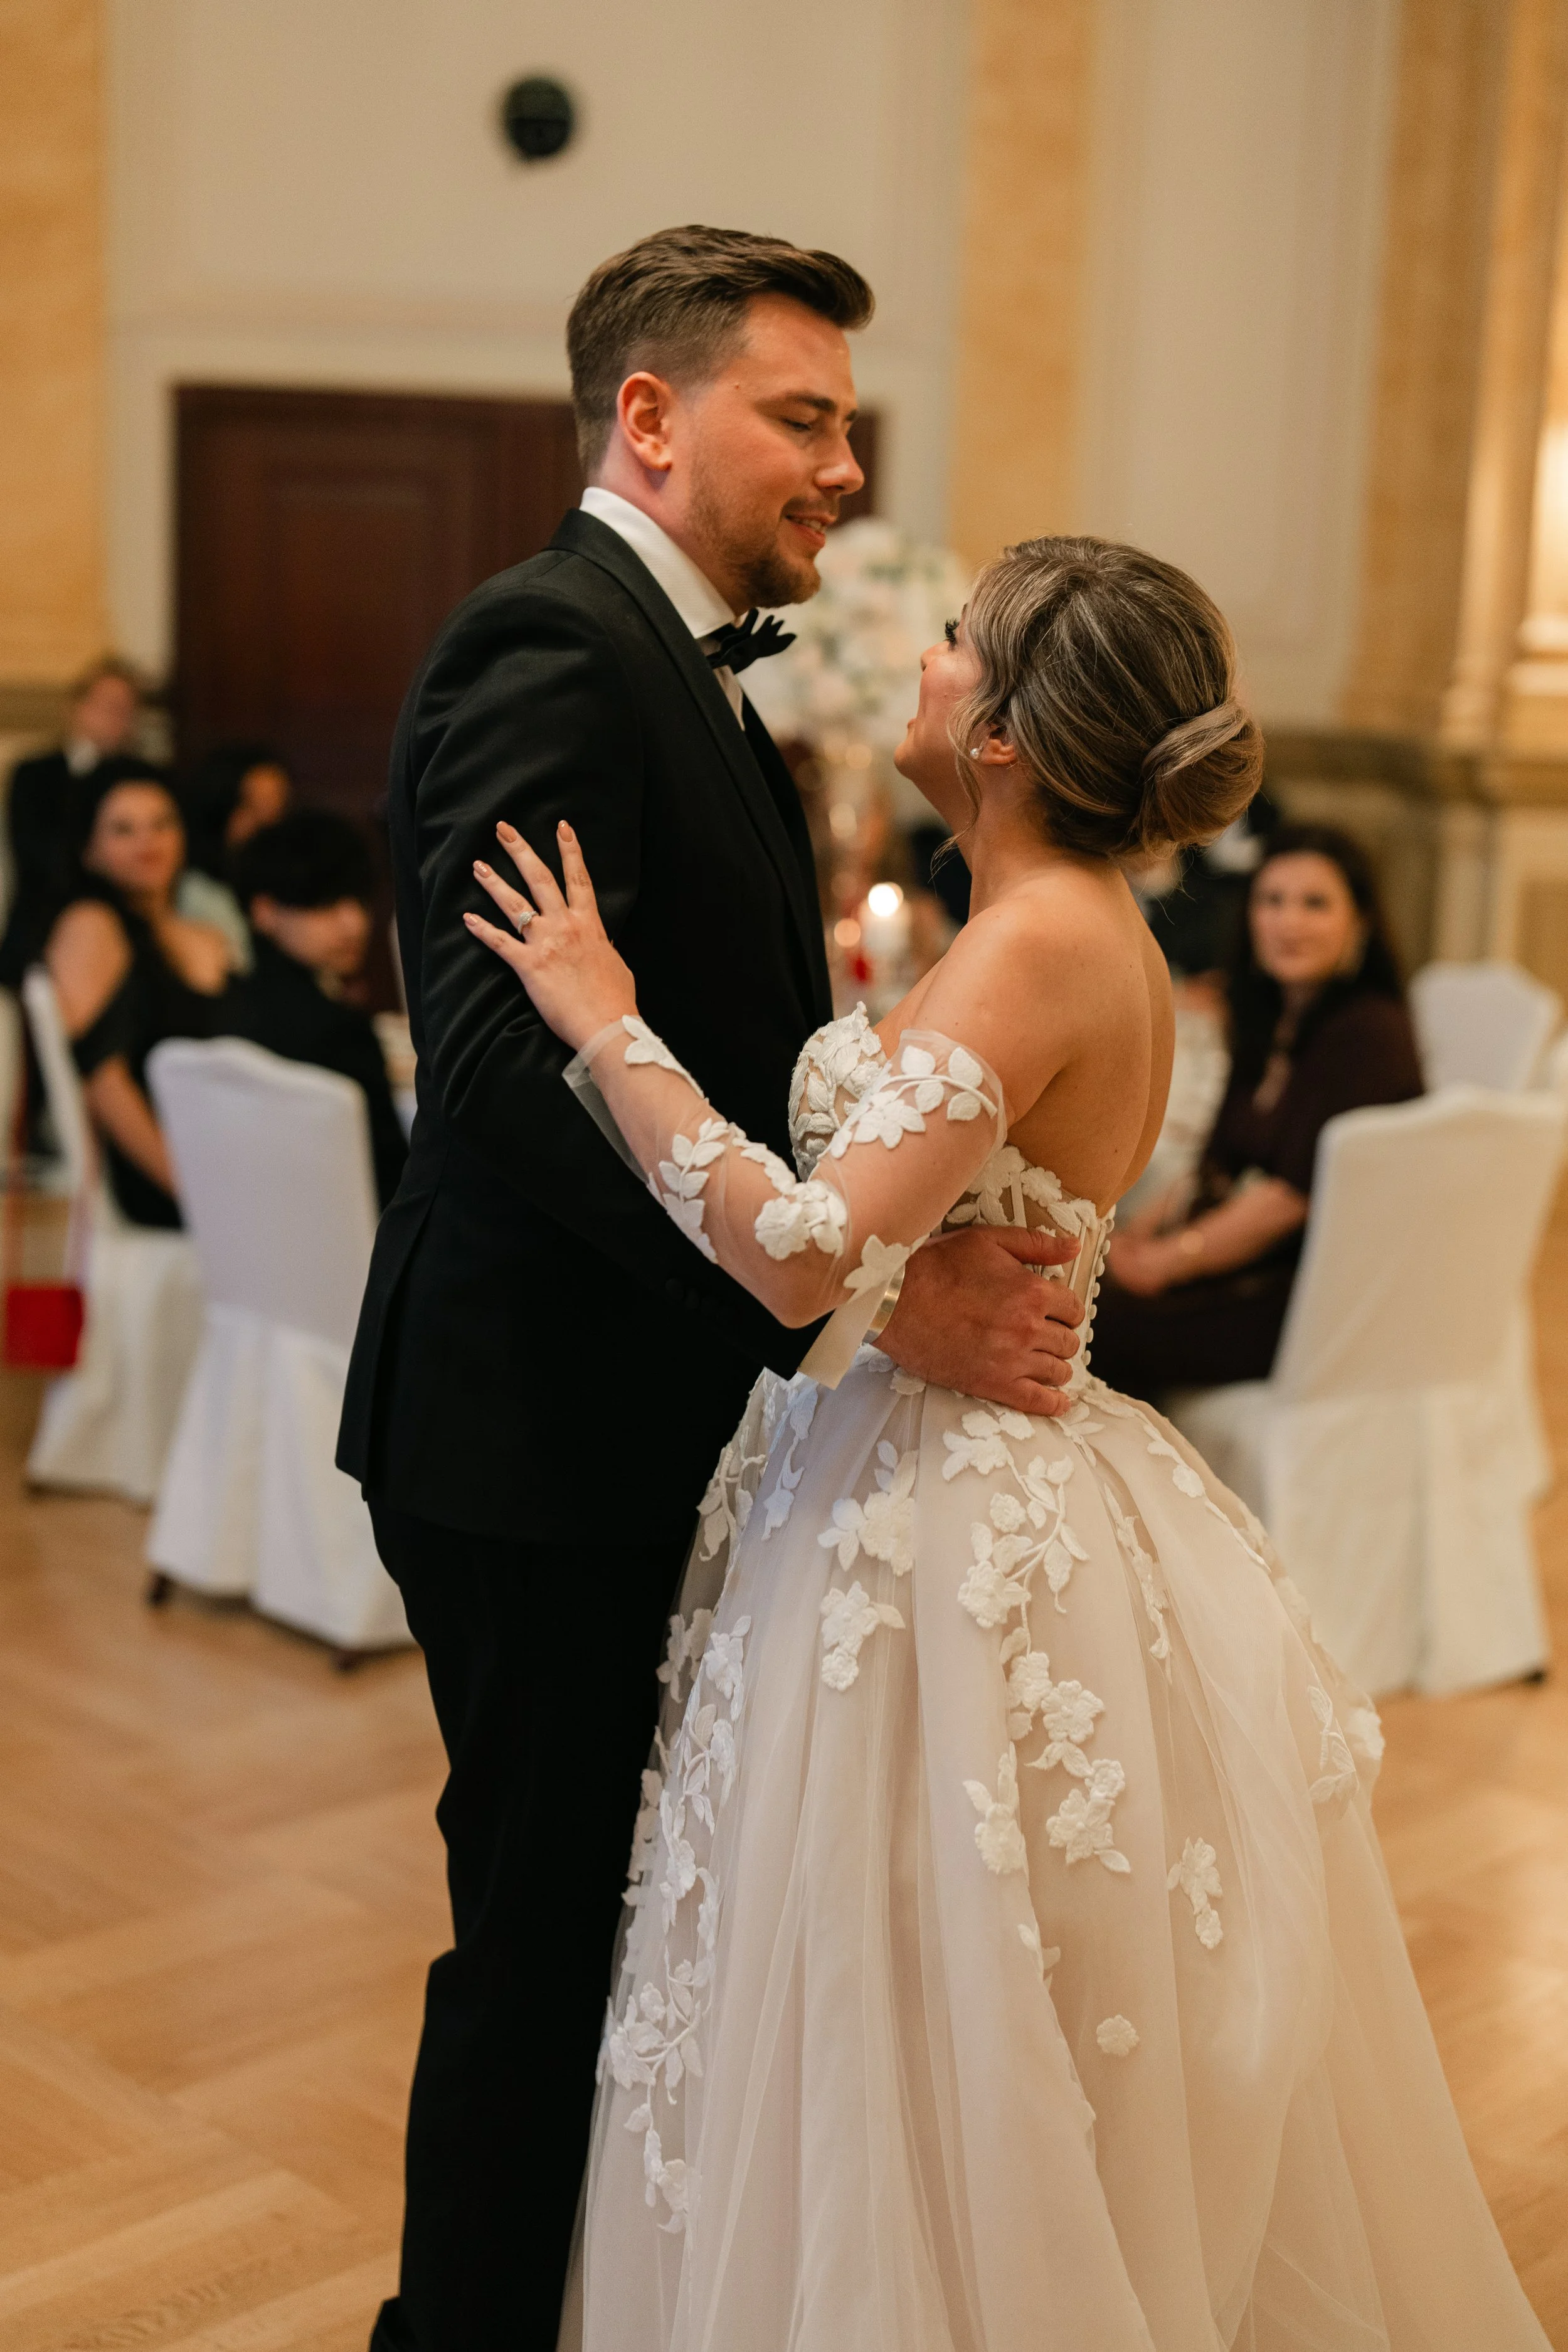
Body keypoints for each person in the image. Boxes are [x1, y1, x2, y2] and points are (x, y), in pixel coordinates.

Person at [469, 536, 1549, 2351]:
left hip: (939, 1522)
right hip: (923, 1472)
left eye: (959, 638)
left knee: (903, 2013)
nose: (926, 653)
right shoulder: (1047, 924)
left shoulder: (1038, 940)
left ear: (1008, 735)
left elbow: (801, 1250)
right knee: (898, 1999)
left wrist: (602, 1018)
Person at [336, 226, 1087, 2352]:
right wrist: (858, 1303)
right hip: (535, 1425)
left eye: (849, 424)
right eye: (806, 418)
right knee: (543, 1936)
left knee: (627, 1924)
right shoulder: (551, 644)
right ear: (651, 417)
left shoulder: (676, 661)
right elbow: (507, 1080)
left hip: (634, 1406)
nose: (845, 466)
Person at [1093, 824, 1424, 1397]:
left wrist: (1166, 1262)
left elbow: (1287, 1200)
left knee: (1090, 1326)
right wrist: (1131, 1238)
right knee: (1082, 1294)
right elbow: (1216, 1161)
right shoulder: (1269, 1017)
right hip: (1247, 1267)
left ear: (1360, 922)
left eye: (1315, 904)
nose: (1288, 922)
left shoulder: (1368, 1033)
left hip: (1310, 1300)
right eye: (1272, 900)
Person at [43, 766, 230, 1226]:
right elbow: (103, 1082)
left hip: (225, 1146)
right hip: (163, 1174)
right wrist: (194, 1189)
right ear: (89, 851)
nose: (148, 841)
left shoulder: (202, 934)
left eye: (162, 823)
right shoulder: (90, 925)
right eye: (123, 830)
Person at [222, 809, 408, 1209]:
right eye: (325, 905)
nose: (353, 924)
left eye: (357, 900)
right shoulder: (341, 1031)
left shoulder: (231, 1008)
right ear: (264, 912)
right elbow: (395, 1180)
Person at [0, 658, 144, 988]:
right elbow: (34, 851)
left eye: (126, 709)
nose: (116, 718)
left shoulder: (143, 779)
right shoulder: (34, 773)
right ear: (78, 707)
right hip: (41, 927)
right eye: (107, 705)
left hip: (123, 930)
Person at [176, 741, 295, 969]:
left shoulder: (286, 883)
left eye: (277, 806)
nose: (267, 821)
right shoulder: (199, 894)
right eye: (251, 806)